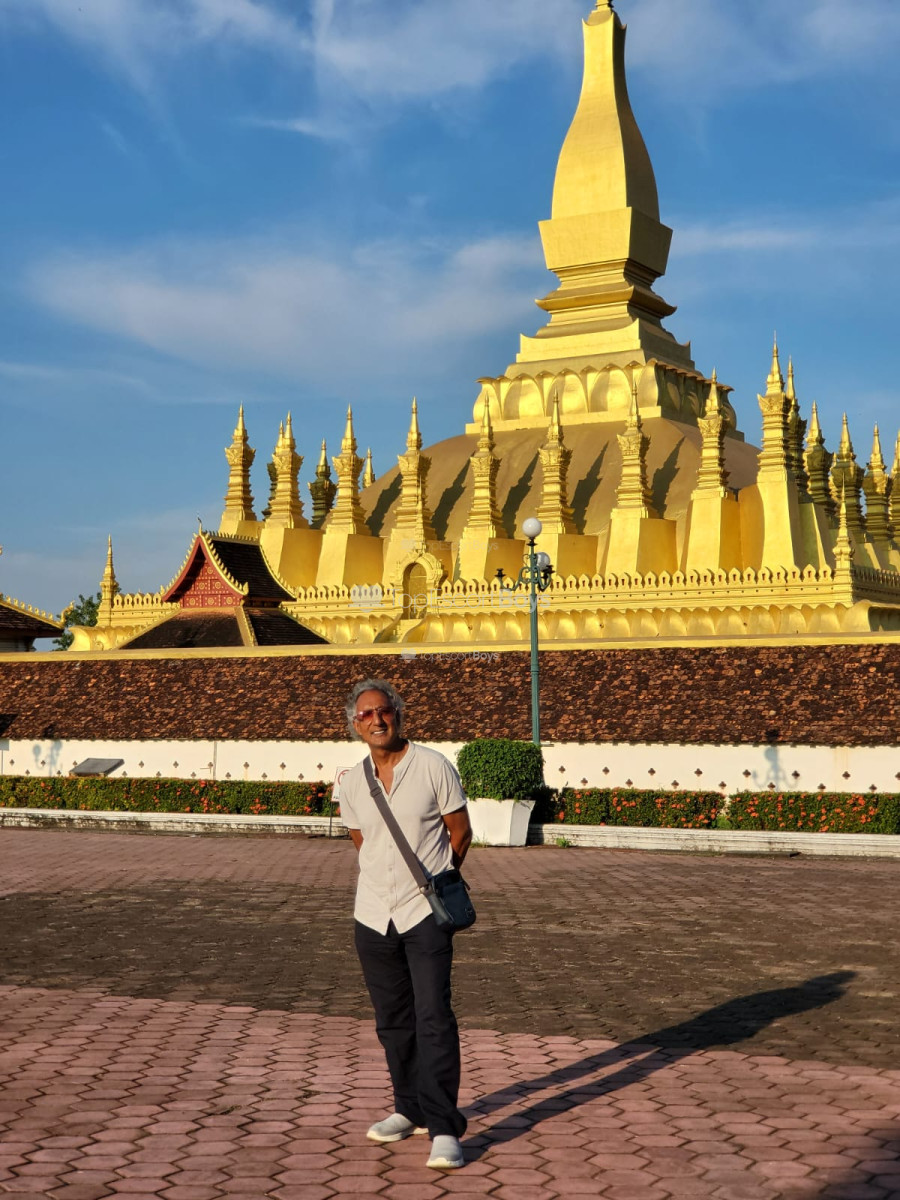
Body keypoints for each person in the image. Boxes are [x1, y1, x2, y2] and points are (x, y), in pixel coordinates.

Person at [339, 678, 473, 1171]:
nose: (377, 720)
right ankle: (409, 1108)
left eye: (384, 710)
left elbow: (461, 832)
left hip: (423, 914)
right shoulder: (352, 782)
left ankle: (443, 1126)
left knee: (433, 1017)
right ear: (355, 726)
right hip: (373, 914)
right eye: (366, 714)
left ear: (397, 713)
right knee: (393, 1021)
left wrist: (436, 883)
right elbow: (362, 840)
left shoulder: (433, 766)